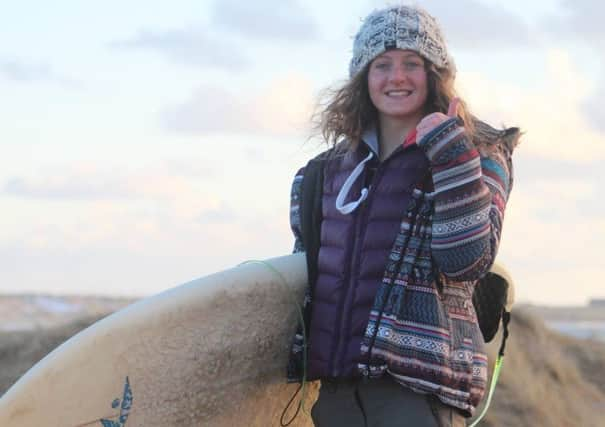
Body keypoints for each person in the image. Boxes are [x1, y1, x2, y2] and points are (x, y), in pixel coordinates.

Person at [286, 4, 520, 427]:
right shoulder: (324, 172)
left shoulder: (482, 152)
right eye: (382, 65)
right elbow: (305, 271)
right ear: (363, 77)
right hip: (334, 392)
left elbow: (466, 262)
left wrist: (450, 154)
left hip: (418, 394)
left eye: (412, 63)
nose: (397, 76)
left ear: (435, 74)